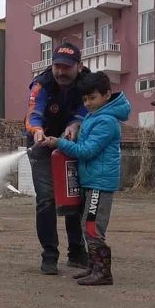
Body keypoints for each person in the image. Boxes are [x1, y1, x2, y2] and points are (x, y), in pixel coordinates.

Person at [44, 71, 132, 286]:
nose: (88, 103)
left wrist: (60, 143)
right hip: (91, 182)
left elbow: (87, 151)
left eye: (92, 98)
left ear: (107, 95)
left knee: (92, 226)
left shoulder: (107, 122)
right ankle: (94, 267)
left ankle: (103, 273)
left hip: (99, 184)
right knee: (86, 224)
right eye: (85, 99)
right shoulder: (94, 117)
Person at [25, 42, 91, 275]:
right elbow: (33, 114)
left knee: (75, 197)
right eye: (57, 66)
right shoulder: (41, 84)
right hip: (41, 144)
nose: (61, 72)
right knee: (46, 200)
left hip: (72, 143)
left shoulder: (87, 83)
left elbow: (89, 109)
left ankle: (76, 252)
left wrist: (76, 123)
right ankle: (50, 255)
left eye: (67, 67)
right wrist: (37, 131)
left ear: (79, 67)